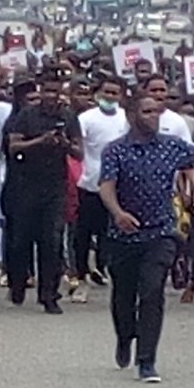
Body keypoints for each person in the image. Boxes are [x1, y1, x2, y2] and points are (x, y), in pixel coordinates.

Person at [98, 93, 194, 383]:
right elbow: (106, 186)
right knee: (123, 296)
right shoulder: (115, 151)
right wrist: (117, 212)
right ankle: (124, 337)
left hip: (160, 232)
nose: (153, 116)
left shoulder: (171, 146)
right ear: (131, 115)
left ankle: (147, 360)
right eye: (146, 111)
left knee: (152, 291)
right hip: (124, 234)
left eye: (157, 111)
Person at [4, 74, 82, 313]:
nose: (50, 96)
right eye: (47, 91)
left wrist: (65, 144)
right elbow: (13, 146)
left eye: (55, 91)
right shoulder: (27, 115)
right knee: (21, 241)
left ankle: (49, 294)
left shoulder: (68, 117)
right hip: (26, 185)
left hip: (54, 187)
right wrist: (40, 141)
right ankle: (17, 283)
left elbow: (79, 152)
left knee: (52, 241)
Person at [74, 75, 128, 300]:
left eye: (115, 93)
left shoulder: (126, 119)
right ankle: (80, 276)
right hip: (89, 183)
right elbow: (78, 148)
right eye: (107, 92)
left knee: (110, 234)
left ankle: (104, 268)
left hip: (118, 185)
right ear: (99, 94)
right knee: (83, 234)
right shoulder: (86, 118)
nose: (110, 97)